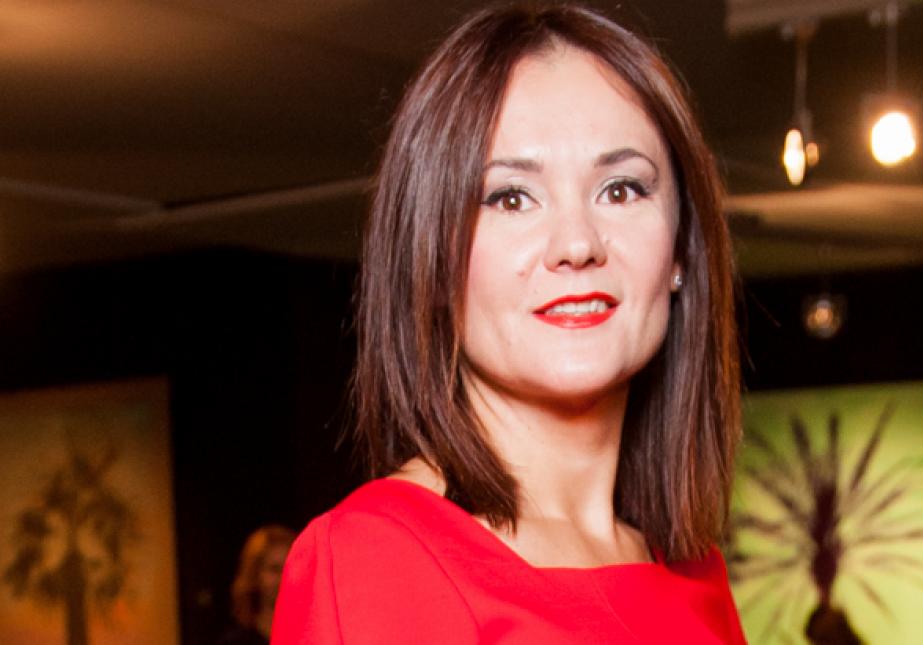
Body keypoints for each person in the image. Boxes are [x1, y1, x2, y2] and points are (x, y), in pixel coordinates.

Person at [273, 4, 745, 643]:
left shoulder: (695, 571)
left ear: (681, 251)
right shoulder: (375, 560)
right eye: (511, 197)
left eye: (621, 189)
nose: (577, 244)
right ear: (432, 259)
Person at [219, 524, 297, 645]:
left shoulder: (314, 637)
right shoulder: (237, 641)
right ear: (255, 574)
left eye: (289, 568)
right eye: (274, 569)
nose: (283, 578)